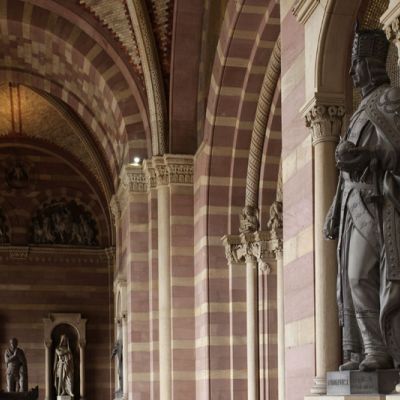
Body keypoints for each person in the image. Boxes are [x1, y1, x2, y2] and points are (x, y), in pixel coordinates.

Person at [324, 25, 400, 371]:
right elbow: (345, 172)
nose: (353, 73)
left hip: (377, 204)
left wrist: (367, 159)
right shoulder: (357, 112)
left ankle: (381, 350)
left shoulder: (391, 99)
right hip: (352, 205)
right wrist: (333, 210)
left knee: (362, 276)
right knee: (350, 282)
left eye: (356, 64)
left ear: (370, 64)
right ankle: (367, 350)